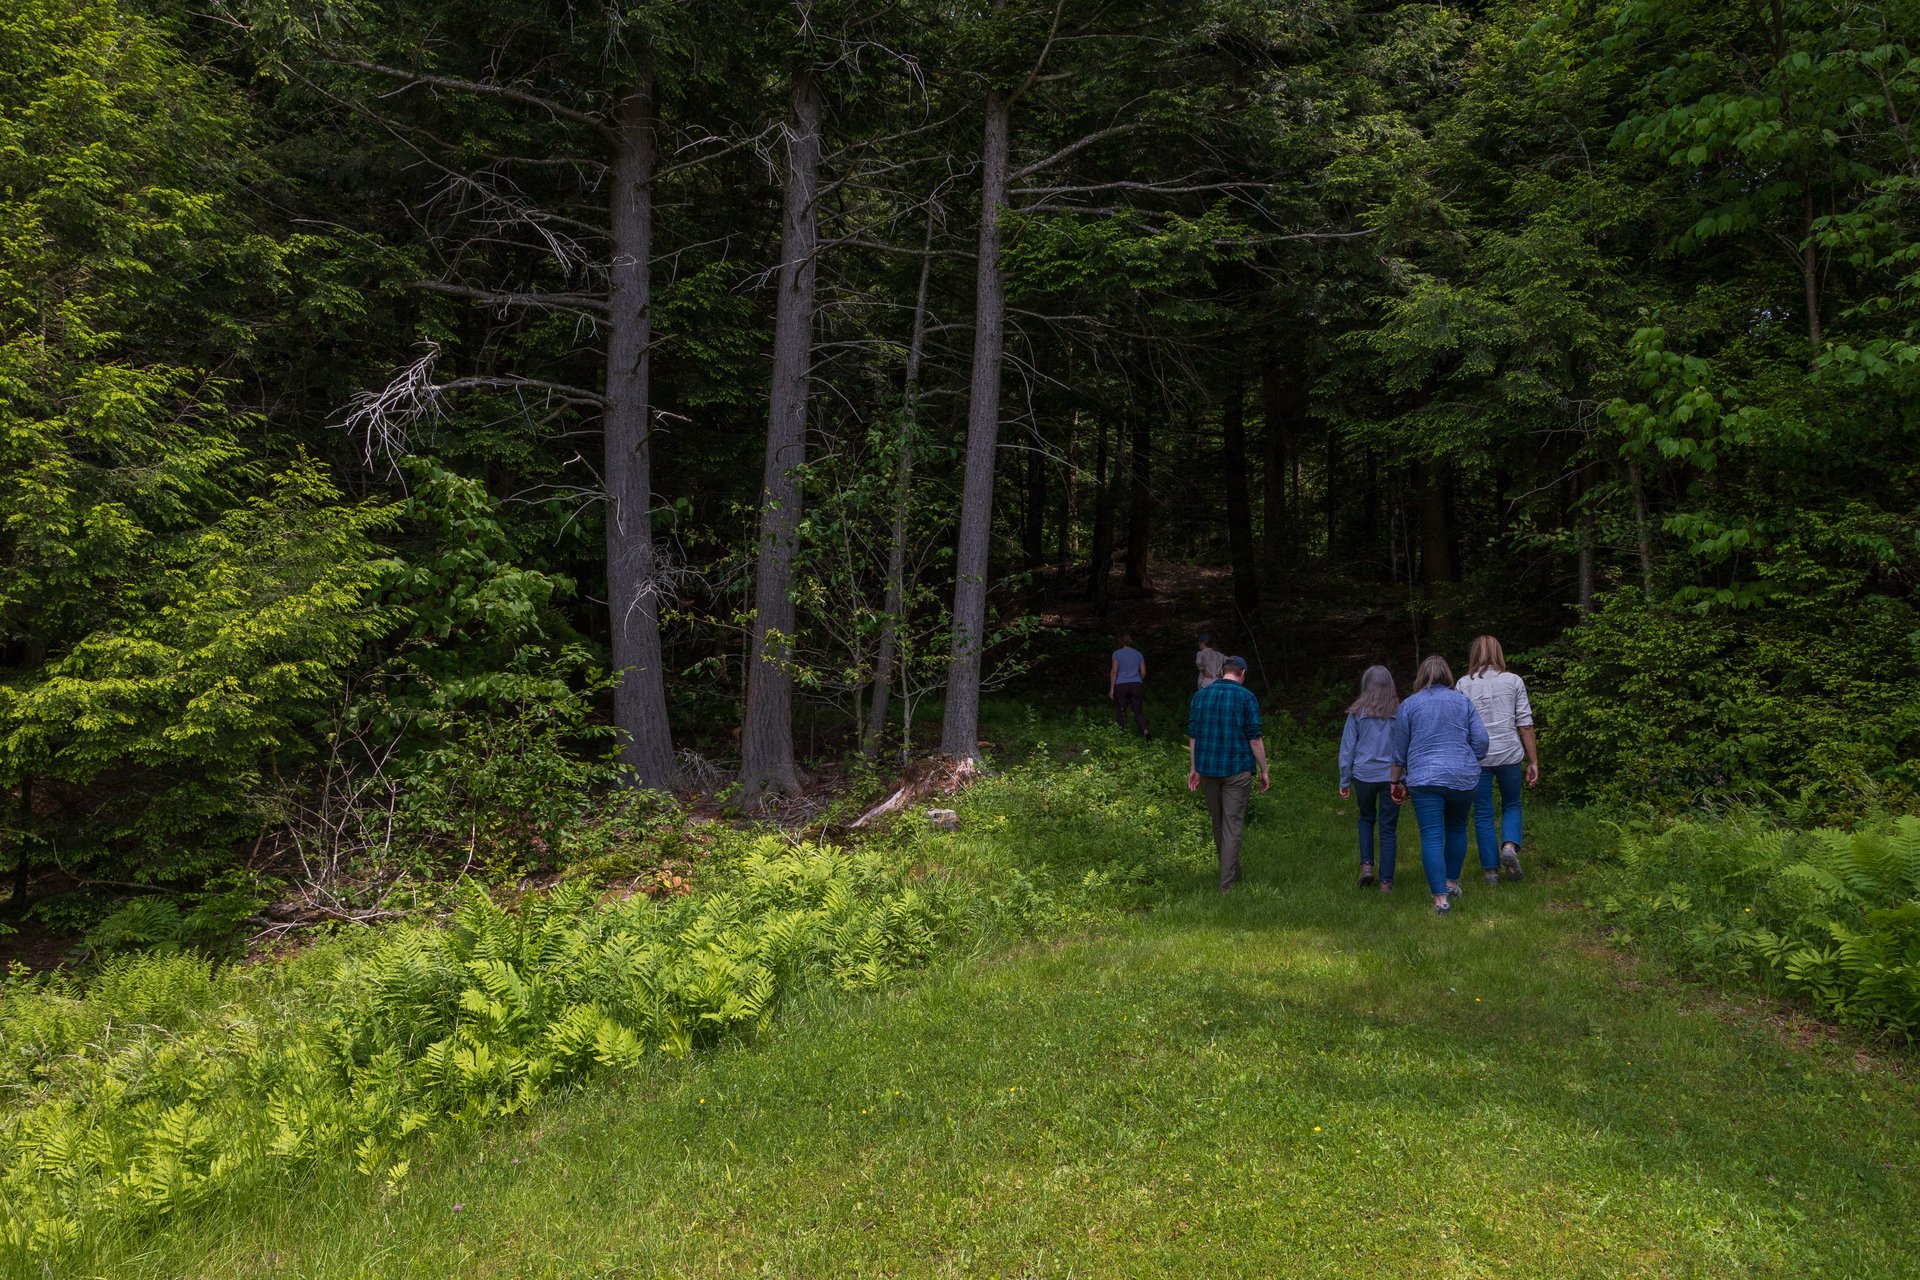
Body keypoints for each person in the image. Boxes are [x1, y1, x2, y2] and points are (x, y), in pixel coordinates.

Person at [1389, 654, 1490, 915]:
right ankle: (1451, 881)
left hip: (1424, 778)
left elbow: (1399, 750)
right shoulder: (1463, 702)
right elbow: (1482, 742)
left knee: (1432, 836)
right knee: (1457, 828)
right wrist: (1467, 757)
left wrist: (1395, 781)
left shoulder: (1409, 706)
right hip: (1462, 777)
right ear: (1448, 675)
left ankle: (1440, 900)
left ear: (1421, 676)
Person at [1458, 634, 1539, 885]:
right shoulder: (1513, 681)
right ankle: (1509, 847)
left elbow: (1460, 726)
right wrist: (1533, 761)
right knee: (1512, 804)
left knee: (1482, 813)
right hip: (1509, 753)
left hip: (1478, 757)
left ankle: (1491, 872)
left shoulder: (1463, 684)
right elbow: (1525, 724)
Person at [1186, 656, 1270, 890]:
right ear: (1242, 672)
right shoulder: (1246, 697)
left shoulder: (1201, 696)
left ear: (1223, 672)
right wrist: (1264, 770)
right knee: (1232, 826)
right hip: (1236, 769)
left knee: (1218, 822)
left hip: (1208, 769)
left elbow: (1194, 735)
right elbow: (1254, 738)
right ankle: (1226, 886)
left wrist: (1194, 767)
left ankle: (1232, 873)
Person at [1338, 665, 1401, 891]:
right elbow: (1404, 747)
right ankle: (1386, 881)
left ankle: (1366, 866)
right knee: (1388, 827)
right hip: (1391, 776)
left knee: (1366, 819)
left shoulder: (1357, 712)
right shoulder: (1399, 712)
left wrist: (1344, 779)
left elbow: (1348, 748)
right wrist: (1407, 778)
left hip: (1364, 775)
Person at [1109, 633, 1148, 738]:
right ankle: (1145, 731)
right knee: (1138, 712)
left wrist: (1112, 689)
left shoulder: (1117, 654)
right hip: (1136, 684)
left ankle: (1123, 735)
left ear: (1121, 642)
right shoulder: (1138, 654)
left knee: (1121, 711)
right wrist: (1138, 680)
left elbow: (1114, 671)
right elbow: (1143, 672)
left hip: (1121, 685)